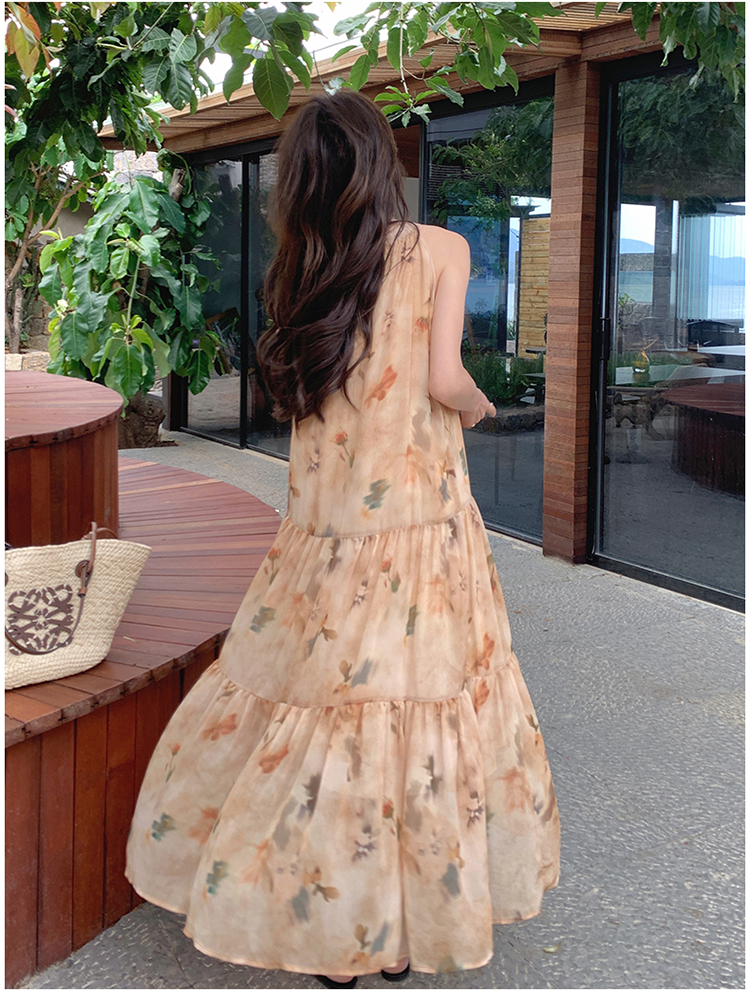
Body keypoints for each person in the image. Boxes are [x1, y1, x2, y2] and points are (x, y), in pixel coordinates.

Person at [125, 89, 560, 988]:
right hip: (420, 527)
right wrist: (482, 405)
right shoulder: (438, 248)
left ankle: (332, 928)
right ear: (377, 163)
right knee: (413, 702)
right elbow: (444, 378)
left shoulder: (303, 268)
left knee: (318, 701)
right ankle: (394, 925)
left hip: (323, 534)